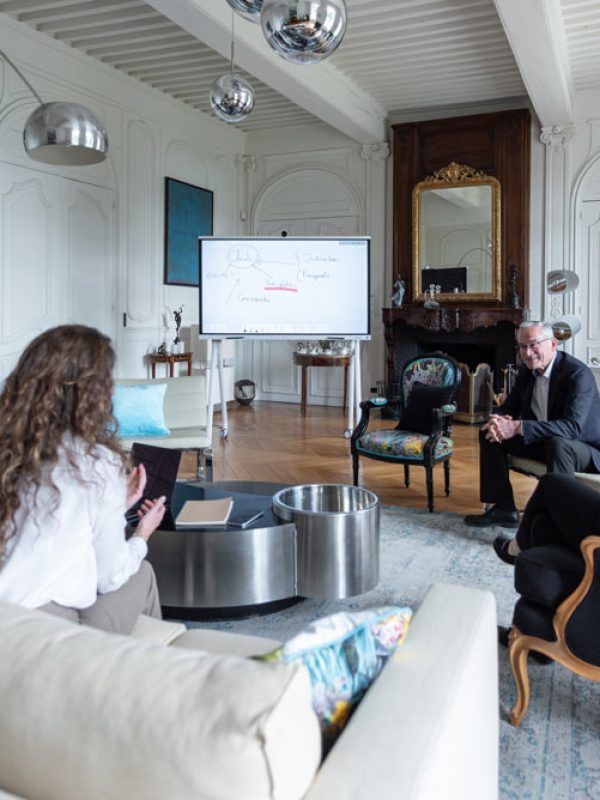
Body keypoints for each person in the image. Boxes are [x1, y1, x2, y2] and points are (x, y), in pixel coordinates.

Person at [0, 325, 167, 634]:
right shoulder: (95, 463)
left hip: (6, 614)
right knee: (142, 573)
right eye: (106, 382)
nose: (112, 392)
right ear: (88, 393)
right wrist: (141, 535)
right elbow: (110, 576)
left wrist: (117, 504)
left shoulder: (9, 448)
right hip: (45, 629)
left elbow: (49, 529)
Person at [464, 320, 600, 534]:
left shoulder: (577, 374)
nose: (527, 353)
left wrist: (518, 427)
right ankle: (504, 509)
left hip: (584, 449)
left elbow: (572, 428)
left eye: (533, 345)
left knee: (558, 443)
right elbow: (510, 407)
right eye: (522, 346)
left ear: (553, 344)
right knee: (488, 433)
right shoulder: (527, 371)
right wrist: (498, 420)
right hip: (544, 442)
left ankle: (560, 523)